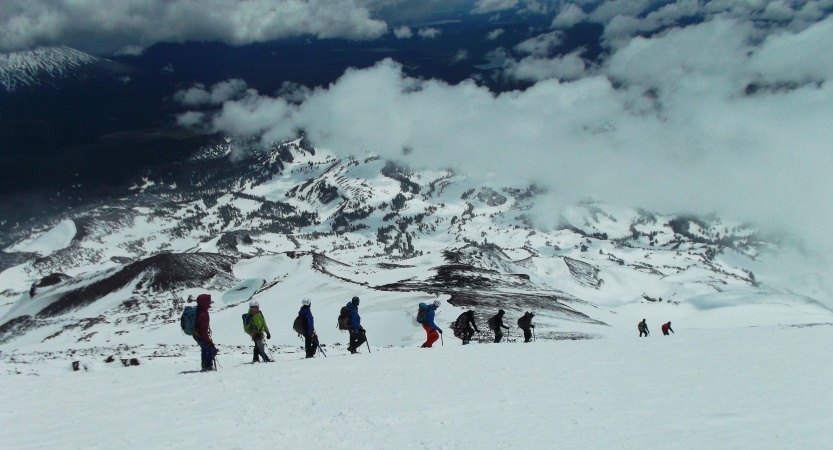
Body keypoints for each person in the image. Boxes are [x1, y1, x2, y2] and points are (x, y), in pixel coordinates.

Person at [194, 294, 218, 371]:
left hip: (196, 334)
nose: (209, 303)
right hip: (201, 336)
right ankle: (208, 366)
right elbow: (204, 331)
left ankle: (205, 365)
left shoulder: (198, 310)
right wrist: (209, 342)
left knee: (205, 349)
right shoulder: (204, 314)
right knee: (211, 350)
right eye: (208, 302)